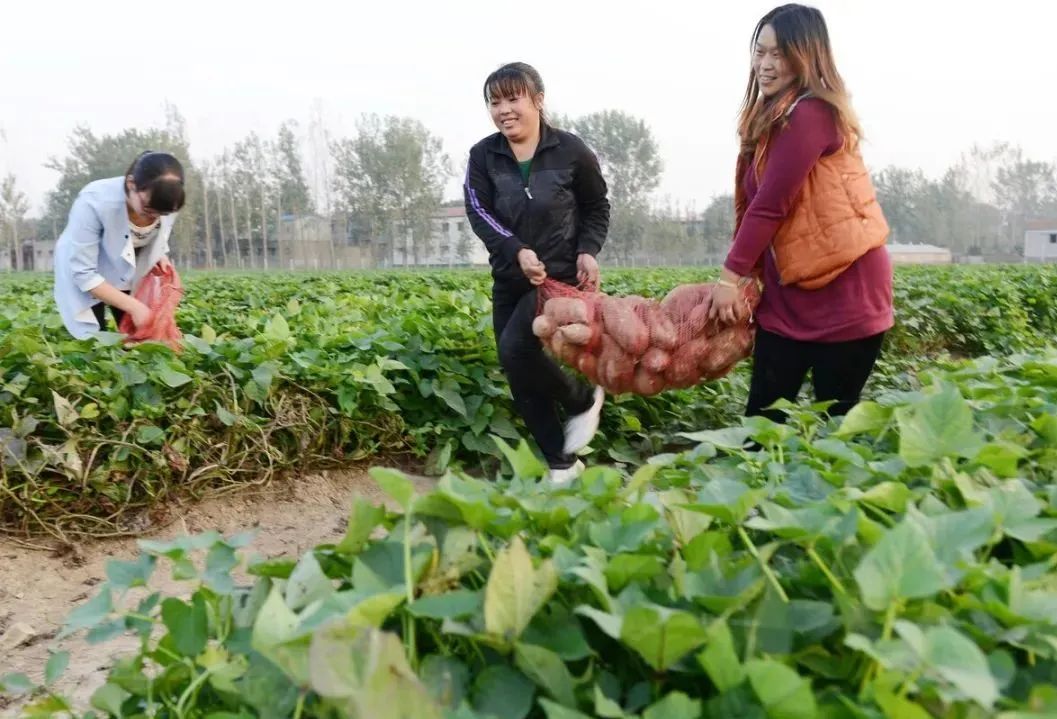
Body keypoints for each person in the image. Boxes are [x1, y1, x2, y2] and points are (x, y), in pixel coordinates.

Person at [707, 3, 894, 422]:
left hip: (846, 296)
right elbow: (753, 208)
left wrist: (729, 277)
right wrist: (750, 277)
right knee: (761, 428)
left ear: (806, 55)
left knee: (834, 433)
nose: (765, 65)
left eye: (779, 54)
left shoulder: (811, 114)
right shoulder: (770, 119)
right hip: (788, 300)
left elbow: (770, 205)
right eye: (760, 52)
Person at [463, 62, 610, 484]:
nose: (504, 110)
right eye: (495, 102)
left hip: (558, 280)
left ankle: (581, 399)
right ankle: (562, 466)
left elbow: (597, 206)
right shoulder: (484, 156)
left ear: (538, 101)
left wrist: (587, 250)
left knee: (515, 350)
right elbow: (479, 212)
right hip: (509, 277)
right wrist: (516, 250)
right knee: (518, 372)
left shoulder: (570, 151)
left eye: (513, 99)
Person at [54, 151, 185, 339]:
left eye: (161, 213)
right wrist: (135, 307)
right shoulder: (95, 201)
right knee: (92, 340)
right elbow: (85, 274)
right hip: (87, 267)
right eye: (148, 209)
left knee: (140, 338)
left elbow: (156, 233)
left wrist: (159, 254)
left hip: (127, 266)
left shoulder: (169, 200)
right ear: (131, 184)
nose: (153, 217)